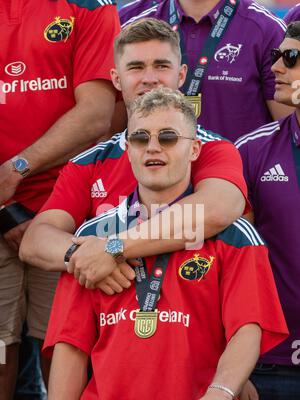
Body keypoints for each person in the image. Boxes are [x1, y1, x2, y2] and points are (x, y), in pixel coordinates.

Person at [44, 88, 288, 400]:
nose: (153, 147)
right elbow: (72, 344)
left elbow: (247, 329)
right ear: (127, 149)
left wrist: (221, 394)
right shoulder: (93, 236)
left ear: (194, 150)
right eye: (140, 138)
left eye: (168, 137)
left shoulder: (235, 235)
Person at [20, 18, 248, 295]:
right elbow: (36, 239)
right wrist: (85, 258)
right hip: (105, 317)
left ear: (181, 75)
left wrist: (112, 249)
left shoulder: (210, 148)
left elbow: (217, 209)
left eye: (162, 66)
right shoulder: (90, 161)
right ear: (116, 78)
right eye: (136, 67)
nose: (149, 78)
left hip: (190, 314)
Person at [0, 0, 120, 400]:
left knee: (66, 348)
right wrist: (7, 213)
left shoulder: (88, 6)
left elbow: (96, 115)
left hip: (69, 218)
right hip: (4, 214)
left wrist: (18, 169)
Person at [236, 21, 300, 400]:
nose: (275, 67)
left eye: (291, 58)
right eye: (277, 55)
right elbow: (229, 267)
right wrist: (231, 373)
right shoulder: (252, 151)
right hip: (272, 368)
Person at [119, 0, 291, 142]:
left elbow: (289, 132)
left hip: (238, 178)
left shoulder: (267, 29)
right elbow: (109, 128)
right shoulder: (127, 21)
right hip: (149, 177)